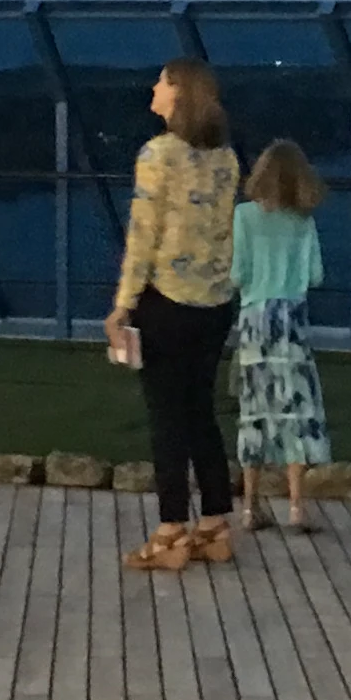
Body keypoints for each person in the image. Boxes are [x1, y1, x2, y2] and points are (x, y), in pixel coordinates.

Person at [109, 58, 243, 573]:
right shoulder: (226, 158)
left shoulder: (158, 154)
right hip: (214, 305)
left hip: (165, 301)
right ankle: (214, 525)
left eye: (162, 81)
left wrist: (123, 304)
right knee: (200, 412)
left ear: (179, 93)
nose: (153, 86)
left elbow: (143, 236)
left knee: (166, 418)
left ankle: (170, 533)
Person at [230, 140, 334, 532]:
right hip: (290, 320)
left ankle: (250, 506)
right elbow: (315, 275)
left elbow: (237, 274)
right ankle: (296, 507)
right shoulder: (303, 221)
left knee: (253, 410)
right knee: (296, 409)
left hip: (254, 320)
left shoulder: (243, 216)